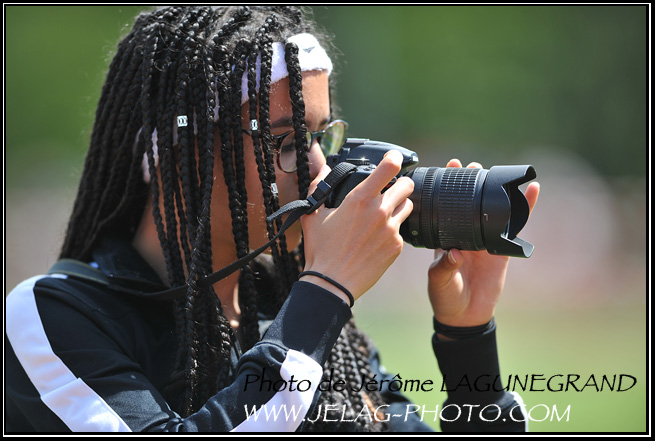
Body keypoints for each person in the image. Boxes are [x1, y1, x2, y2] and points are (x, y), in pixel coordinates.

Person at [5, 6, 539, 433]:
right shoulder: (52, 315)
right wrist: (325, 291)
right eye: (283, 141)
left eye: (320, 135)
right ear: (177, 151)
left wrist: (468, 340)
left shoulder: (296, 311)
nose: (317, 166)